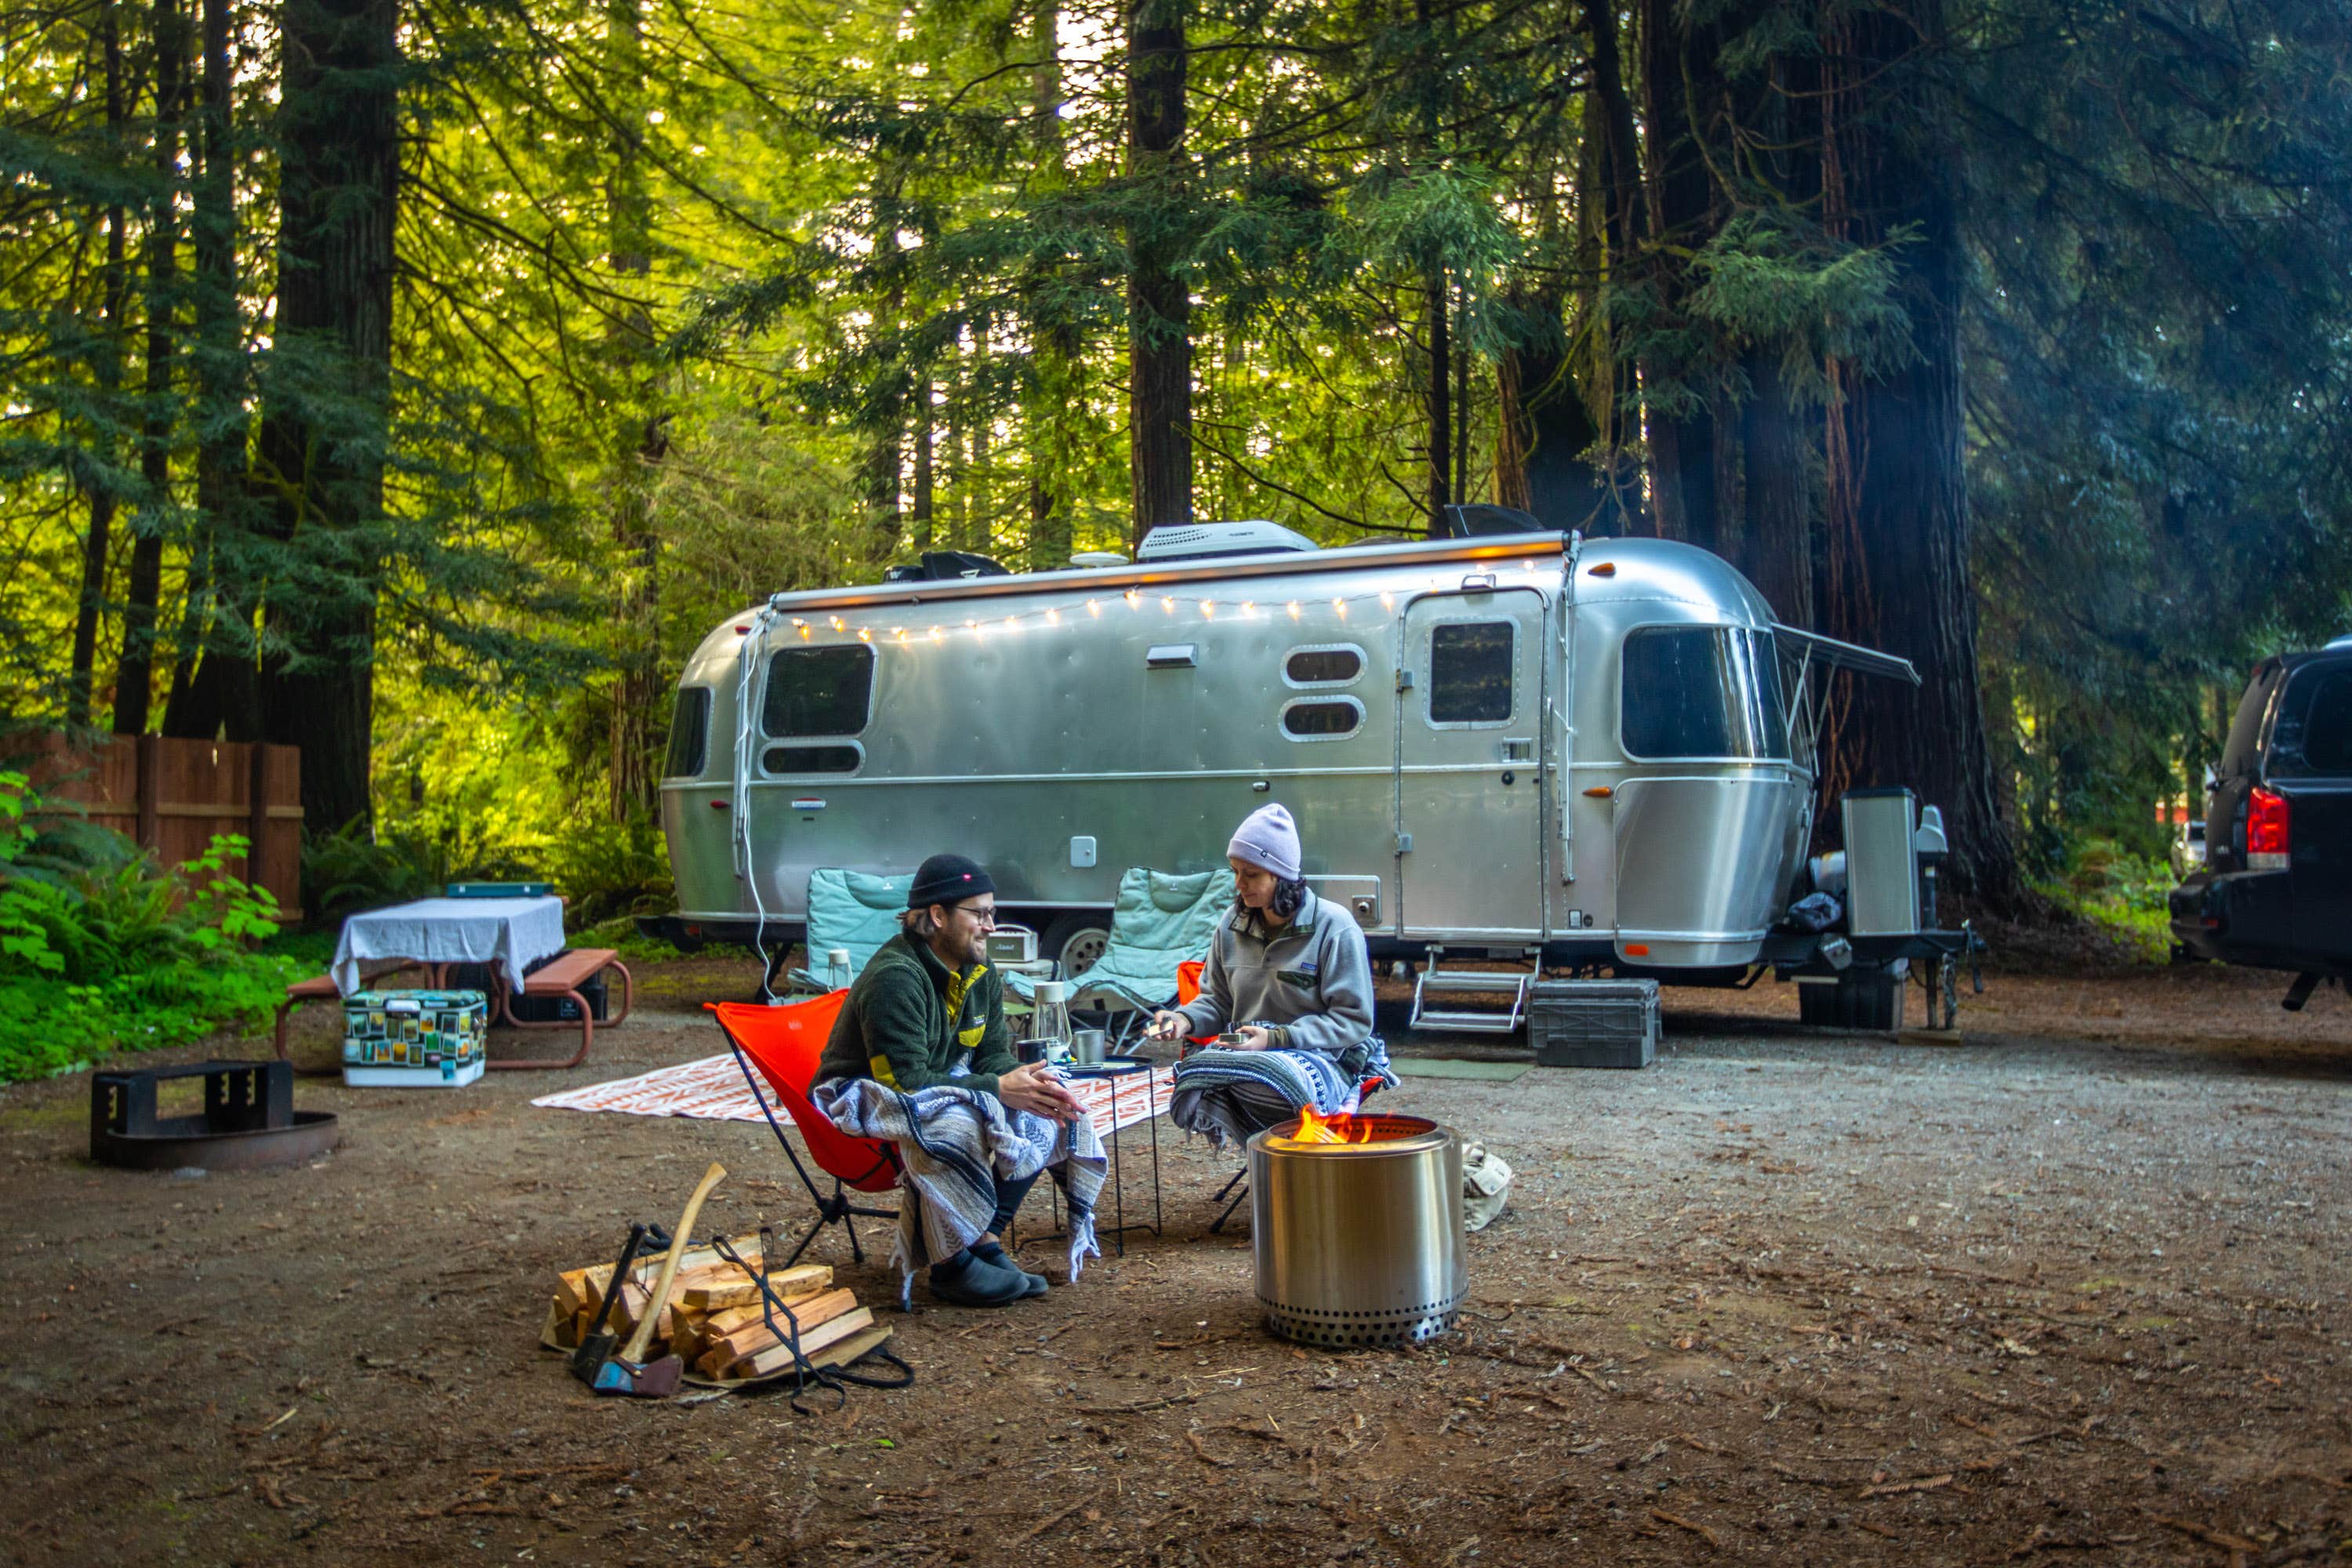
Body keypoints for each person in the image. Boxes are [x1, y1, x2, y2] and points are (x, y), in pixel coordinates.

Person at [811, 853, 1103, 1308]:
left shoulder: (979, 970)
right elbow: (904, 1084)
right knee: (959, 1125)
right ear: (937, 916)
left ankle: (982, 1240)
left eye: (993, 913)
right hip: (864, 1094)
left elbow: (992, 1055)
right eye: (980, 914)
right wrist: (997, 1090)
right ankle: (950, 1267)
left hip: (939, 1081)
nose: (991, 926)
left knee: (1051, 1116)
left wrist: (1028, 1083)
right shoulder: (896, 977)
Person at [1148, 804, 1396, 1144]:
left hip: (1318, 1057)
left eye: (1250, 874)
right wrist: (1183, 1020)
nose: (1239, 884)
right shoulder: (1230, 926)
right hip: (1245, 1048)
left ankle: (1282, 1162)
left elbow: (1353, 1021)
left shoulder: (1334, 928)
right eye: (1235, 871)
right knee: (1193, 1078)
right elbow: (1218, 1003)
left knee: (1267, 1081)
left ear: (1279, 875)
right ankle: (1273, 1165)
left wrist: (1277, 1039)